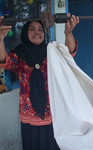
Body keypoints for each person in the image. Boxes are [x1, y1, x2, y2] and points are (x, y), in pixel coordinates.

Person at [0, 13, 79, 150]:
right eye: (32, 29)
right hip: (29, 113)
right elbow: (4, 62)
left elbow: (69, 54)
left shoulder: (51, 51)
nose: (37, 32)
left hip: (52, 112)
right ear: (25, 33)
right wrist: (0, 38)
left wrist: (68, 32)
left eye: (40, 29)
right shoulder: (19, 54)